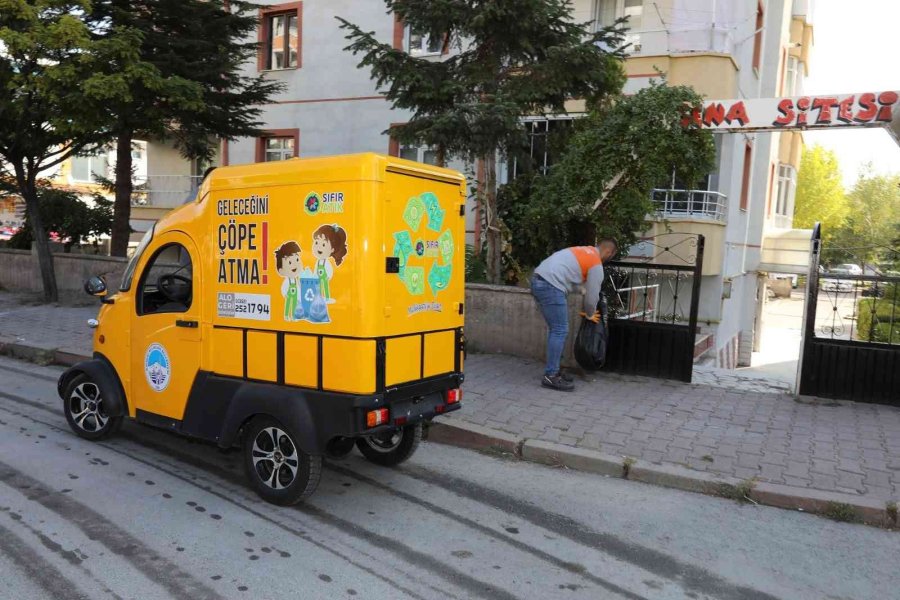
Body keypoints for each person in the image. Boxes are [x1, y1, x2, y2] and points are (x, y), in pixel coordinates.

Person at [531, 239, 617, 391]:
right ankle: (550, 376)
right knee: (560, 330)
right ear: (609, 252)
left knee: (556, 330)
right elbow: (592, 297)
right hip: (550, 285)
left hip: (539, 279)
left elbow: (570, 276)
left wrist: (581, 290)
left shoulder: (584, 250)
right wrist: (590, 313)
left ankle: (554, 370)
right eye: (611, 256)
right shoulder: (596, 263)